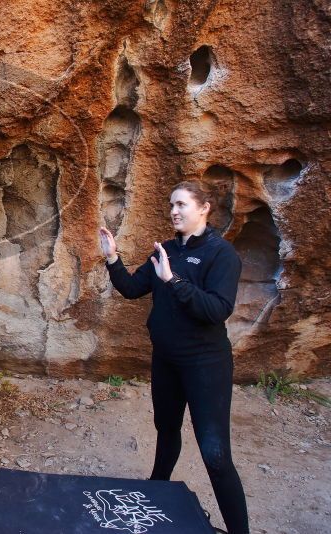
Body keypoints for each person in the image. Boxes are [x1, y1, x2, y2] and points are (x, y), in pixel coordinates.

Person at [98, 181, 249, 534]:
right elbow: (133, 289)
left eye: (181, 204)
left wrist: (174, 280)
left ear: (204, 208)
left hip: (205, 364)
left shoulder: (221, 254)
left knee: (215, 454)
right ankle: (155, 492)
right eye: (171, 205)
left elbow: (217, 309)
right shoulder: (164, 249)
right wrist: (112, 258)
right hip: (167, 360)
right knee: (166, 432)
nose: (174, 211)